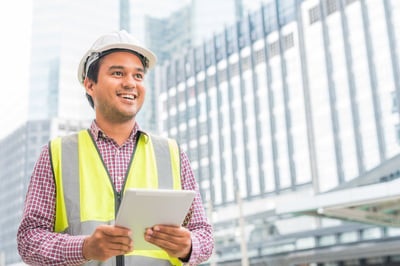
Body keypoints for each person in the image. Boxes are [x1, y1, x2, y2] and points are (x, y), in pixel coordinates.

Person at [17, 30, 214, 265]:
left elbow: (204, 235)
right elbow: (29, 241)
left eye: (138, 76)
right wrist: (85, 247)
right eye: (118, 73)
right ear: (90, 85)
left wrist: (189, 246)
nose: (130, 83)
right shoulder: (56, 154)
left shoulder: (172, 153)